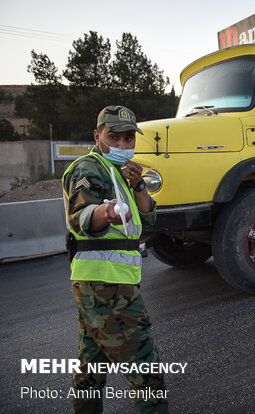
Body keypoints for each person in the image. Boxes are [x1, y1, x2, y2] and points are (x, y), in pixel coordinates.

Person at [62, 105, 168, 413]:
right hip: (107, 286)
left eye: (128, 138)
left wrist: (138, 186)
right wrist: (106, 212)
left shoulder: (122, 173)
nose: (123, 145)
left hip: (103, 285)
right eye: (114, 137)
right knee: (146, 374)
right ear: (97, 136)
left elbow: (147, 220)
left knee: (90, 370)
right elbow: (82, 213)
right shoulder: (89, 168)